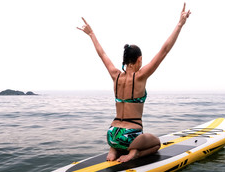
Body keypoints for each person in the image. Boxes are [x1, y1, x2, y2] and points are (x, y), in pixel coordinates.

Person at [77, 3, 191, 162]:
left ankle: (114, 149)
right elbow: (164, 50)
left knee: (119, 137)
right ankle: (134, 153)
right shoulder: (140, 76)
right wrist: (179, 24)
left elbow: (102, 54)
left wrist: (91, 34)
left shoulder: (115, 75)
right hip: (131, 136)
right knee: (156, 144)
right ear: (139, 60)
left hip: (111, 134)